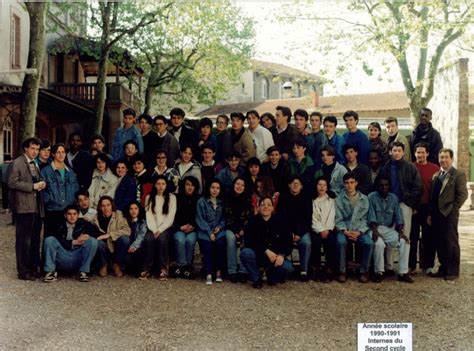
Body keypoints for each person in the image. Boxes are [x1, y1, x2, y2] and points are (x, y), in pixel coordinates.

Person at [8, 137, 46, 280]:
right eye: (32, 148)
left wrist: (41, 184)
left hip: (35, 207)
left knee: (35, 239)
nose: (35, 151)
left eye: (37, 149)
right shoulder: (17, 163)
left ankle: (33, 268)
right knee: (23, 240)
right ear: (25, 148)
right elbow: (11, 183)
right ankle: (23, 271)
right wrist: (32, 187)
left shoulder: (34, 163)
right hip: (23, 207)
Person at [427, 148, 468, 280]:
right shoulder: (436, 175)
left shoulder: (458, 174)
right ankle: (443, 268)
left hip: (449, 214)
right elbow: (433, 197)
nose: (443, 160)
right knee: (440, 242)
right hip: (436, 215)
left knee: (451, 243)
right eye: (441, 157)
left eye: (446, 157)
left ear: (451, 159)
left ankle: (453, 272)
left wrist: (453, 209)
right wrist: (430, 214)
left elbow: (462, 195)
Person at [240, 196, 294, 289]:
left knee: (288, 268)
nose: (266, 207)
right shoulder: (252, 221)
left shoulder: (281, 222)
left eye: (269, 205)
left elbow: (288, 242)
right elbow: (249, 240)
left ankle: (271, 275)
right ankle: (256, 278)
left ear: (273, 208)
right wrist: (265, 250)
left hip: (275, 258)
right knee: (245, 253)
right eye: (262, 205)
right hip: (258, 255)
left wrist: (281, 255)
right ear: (258, 207)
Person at [369, 176, 413, 283]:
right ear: (377, 187)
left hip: (388, 229)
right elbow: (371, 216)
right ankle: (379, 272)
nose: (384, 187)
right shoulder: (371, 197)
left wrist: (400, 232)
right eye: (381, 185)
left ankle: (403, 273)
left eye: (386, 185)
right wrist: (375, 232)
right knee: (379, 244)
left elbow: (398, 217)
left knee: (405, 242)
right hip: (374, 228)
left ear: (389, 186)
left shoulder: (394, 198)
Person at [335, 172, 374, 283]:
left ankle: (364, 271)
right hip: (344, 230)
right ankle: (342, 270)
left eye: (352, 182)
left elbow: (366, 218)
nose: (349, 185)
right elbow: (337, 218)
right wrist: (345, 231)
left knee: (369, 243)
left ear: (356, 183)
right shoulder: (339, 198)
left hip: (359, 230)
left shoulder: (364, 199)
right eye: (347, 183)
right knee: (341, 242)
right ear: (343, 184)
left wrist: (359, 232)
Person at [42, 205, 98, 283]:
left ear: (78, 215)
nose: (72, 216)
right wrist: (72, 242)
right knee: (49, 240)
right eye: (69, 214)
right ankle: (50, 272)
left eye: (74, 214)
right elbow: (52, 237)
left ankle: (83, 272)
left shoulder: (83, 224)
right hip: (62, 256)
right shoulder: (58, 224)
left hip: (77, 256)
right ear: (65, 215)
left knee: (92, 241)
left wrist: (88, 235)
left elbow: (96, 233)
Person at [410, 142, 439, 274]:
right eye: (418, 152)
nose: (420, 154)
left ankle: (427, 265)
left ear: (427, 153)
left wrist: (432, 211)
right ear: (414, 153)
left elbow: (437, 191)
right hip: (414, 207)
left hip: (428, 207)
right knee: (412, 236)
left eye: (422, 152)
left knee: (429, 237)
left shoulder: (435, 168)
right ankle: (411, 265)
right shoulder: (410, 167)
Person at [278, 176, 312, 282]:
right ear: (289, 185)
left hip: (302, 230)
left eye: (298, 183)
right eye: (292, 183)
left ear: (301, 186)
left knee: (306, 242)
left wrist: (299, 233)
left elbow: (308, 219)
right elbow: (281, 217)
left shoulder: (306, 199)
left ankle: (303, 270)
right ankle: (283, 268)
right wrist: (289, 233)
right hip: (286, 230)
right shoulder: (283, 198)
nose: (295, 185)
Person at [143, 176, 177, 280]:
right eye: (158, 184)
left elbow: (171, 216)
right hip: (152, 227)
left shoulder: (171, 197)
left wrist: (160, 230)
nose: (161, 186)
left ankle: (163, 269)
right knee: (149, 239)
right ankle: (147, 268)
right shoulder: (149, 197)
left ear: (166, 185)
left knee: (162, 240)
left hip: (166, 228)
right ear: (154, 185)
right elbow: (148, 215)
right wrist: (154, 229)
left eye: (163, 184)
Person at [41, 143, 79, 234]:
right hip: (52, 210)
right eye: (58, 152)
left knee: (65, 238)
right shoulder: (46, 171)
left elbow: (76, 189)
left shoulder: (70, 172)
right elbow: (42, 191)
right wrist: (49, 200)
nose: (61, 154)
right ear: (53, 154)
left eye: (63, 152)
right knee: (50, 238)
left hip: (67, 211)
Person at [196, 179, 227, 285]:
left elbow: (224, 218)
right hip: (205, 231)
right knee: (207, 246)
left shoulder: (222, 202)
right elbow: (200, 219)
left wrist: (219, 227)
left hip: (219, 231)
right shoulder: (201, 201)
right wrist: (210, 233)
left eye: (217, 188)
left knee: (220, 244)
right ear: (208, 188)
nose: (215, 190)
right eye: (213, 187)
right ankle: (208, 273)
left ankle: (218, 272)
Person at [91, 196, 131, 277]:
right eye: (103, 206)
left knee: (125, 239)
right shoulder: (95, 218)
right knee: (97, 242)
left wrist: (109, 235)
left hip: (116, 245)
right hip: (104, 248)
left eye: (108, 205)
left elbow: (127, 230)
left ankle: (116, 264)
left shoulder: (118, 214)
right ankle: (103, 265)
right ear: (100, 207)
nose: (106, 208)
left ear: (112, 205)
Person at [224, 176, 252, 283]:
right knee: (231, 239)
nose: (239, 187)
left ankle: (243, 271)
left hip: (244, 228)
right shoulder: (227, 198)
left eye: (242, 185)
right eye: (237, 184)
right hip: (230, 228)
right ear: (233, 185)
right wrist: (236, 231)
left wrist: (243, 229)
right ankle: (232, 271)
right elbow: (226, 217)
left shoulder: (248, 199)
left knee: (247, 238)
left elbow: (249, 217)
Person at [173, 176, 200, 279]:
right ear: (183, 186)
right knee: (180, 240)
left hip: (193, 228)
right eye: (187, 185)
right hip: (178, 228)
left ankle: (188, 266)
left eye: (192, 185)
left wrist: (192, 226)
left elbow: (199, 216)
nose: (190, 187)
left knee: (190, 240)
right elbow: (173, 215)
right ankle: (181, 266)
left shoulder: (198, 199)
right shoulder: (176, 198)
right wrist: (180, 227)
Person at [311, 177, 336, 283]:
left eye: (324, 185)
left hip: (329, 228)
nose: (321, 187)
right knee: (315, 242)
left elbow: (332, 215)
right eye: (319, 185)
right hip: (317, 229)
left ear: (327, 187)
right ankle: (316, 269)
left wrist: (327, 229)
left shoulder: (331, 200)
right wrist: (320, 230)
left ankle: (329, 269)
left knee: (331, 242)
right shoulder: (312, 200)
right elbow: (314, 218)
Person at [124, 201, 148, 278]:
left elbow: (141, 236)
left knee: (137, 255)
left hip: (137, 246)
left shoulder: (142, 222)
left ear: (139, 209)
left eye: (135, 208)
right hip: (127, 245)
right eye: (131, 209)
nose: (133, 211)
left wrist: (134, 246)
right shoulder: (125, 221)